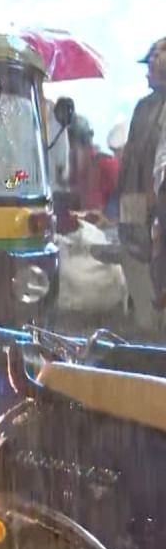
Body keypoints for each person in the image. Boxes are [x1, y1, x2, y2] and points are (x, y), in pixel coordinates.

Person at [117, 36, 166, 330]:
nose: (148, 67)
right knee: (135, 258)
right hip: (136, 201)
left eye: (154, 60)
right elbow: (132, 159)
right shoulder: (144, 108)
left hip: (157, 202)